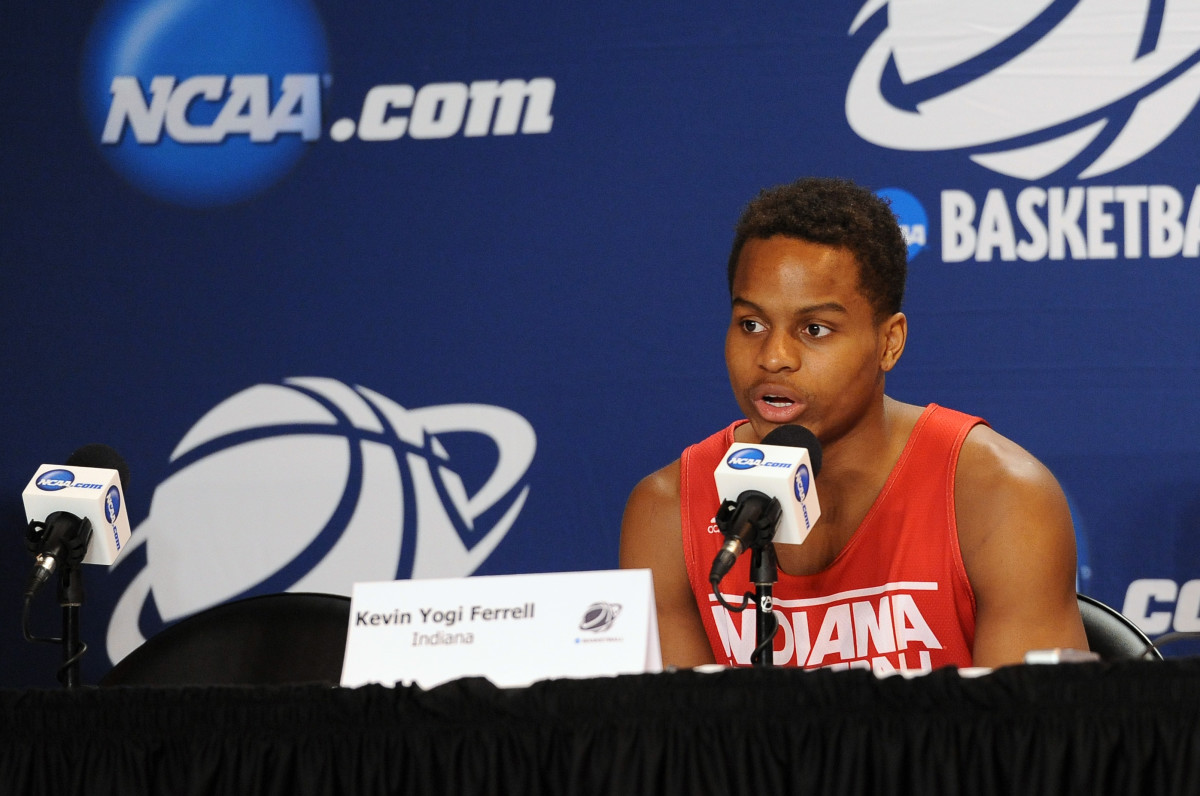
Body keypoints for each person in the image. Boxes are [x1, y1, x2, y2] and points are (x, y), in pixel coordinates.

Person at [619, 176, 1088, 673]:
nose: (773, 358)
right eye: (751, 324)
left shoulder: (1000, 497)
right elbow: (676, 745)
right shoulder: (668, 513)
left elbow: (1031, 741)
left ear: (889, 342)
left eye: (814, 329)